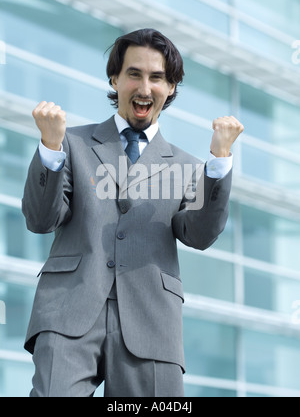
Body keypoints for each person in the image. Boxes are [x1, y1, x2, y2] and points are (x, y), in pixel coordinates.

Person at [22, 28, 244, 397]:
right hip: (68, 313)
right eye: (134, 74)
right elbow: (40, 220)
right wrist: (49, 148)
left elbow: (200, 235)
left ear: (171, 87)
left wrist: (219, 163)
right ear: (115, 79)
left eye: (157, 77)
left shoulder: (188, 167)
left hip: (152, 321)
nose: (145, 87)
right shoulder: (71, 144)